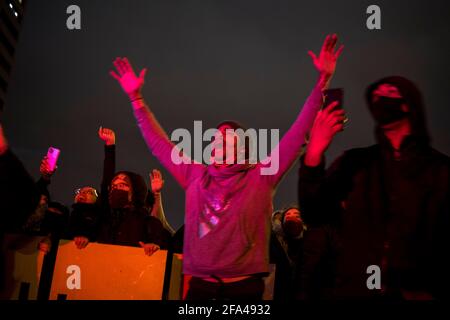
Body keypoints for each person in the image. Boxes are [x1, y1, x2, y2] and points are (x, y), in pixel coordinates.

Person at [110, 34, 343, 299]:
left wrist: (322, 82)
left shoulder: (261, 175)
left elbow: (297, 133)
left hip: (244, 289)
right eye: (216, 138)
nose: (219, 142)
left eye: (228, 138)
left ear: (243, 148)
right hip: (200, 288)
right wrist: (136, 99)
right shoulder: (196, 174)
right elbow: (158, 143)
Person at [298, 76, 450, 299]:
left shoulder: (440, 170)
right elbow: (314, 213)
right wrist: (314, 153)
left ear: (409, 104)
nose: (381, 98)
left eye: (389, 92)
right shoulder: (355, 162)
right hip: (358, 290)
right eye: (376, 96)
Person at [74, 127, 169, 255]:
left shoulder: (146, 222)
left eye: (122, 185)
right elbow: (106, 180)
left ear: (135, 191)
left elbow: (160, 243)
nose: (116, 188)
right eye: (114, 186)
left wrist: (152, 246)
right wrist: (110, 145)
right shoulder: (105, 215)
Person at [269, 206, 306, 300]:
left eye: (297, 215)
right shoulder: (274, 241)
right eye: (288, 215)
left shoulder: (311, 241)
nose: (291, 216)